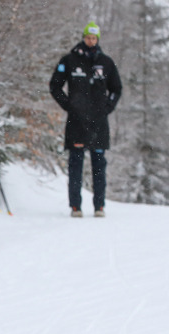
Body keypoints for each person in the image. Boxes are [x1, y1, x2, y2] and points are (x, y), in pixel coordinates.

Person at [49, 21, 122, 217]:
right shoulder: (69, 60)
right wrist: (68, 105)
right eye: (88, 37)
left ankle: (99, 206)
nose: (91, 41)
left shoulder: (106, 63)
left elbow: (117, 88)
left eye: (94, 38)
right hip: (77, 121)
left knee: (99, 164)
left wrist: (107, 107)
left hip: (99, 121)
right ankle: (75, 206)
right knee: (76, 164)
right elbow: (55, 86)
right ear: (83, 37)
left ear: (98, 39)